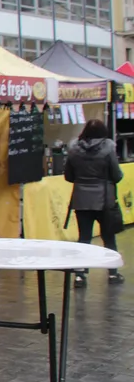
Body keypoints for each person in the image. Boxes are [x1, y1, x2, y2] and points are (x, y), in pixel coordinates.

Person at [64, 118, 125, 287]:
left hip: (81, 199)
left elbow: (68, 176)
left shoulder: (74, 149)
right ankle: (112, 273)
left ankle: (80, 275)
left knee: (84, 238)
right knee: (109, 238)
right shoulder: (108, 148)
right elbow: (117, 175)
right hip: (104, 200)